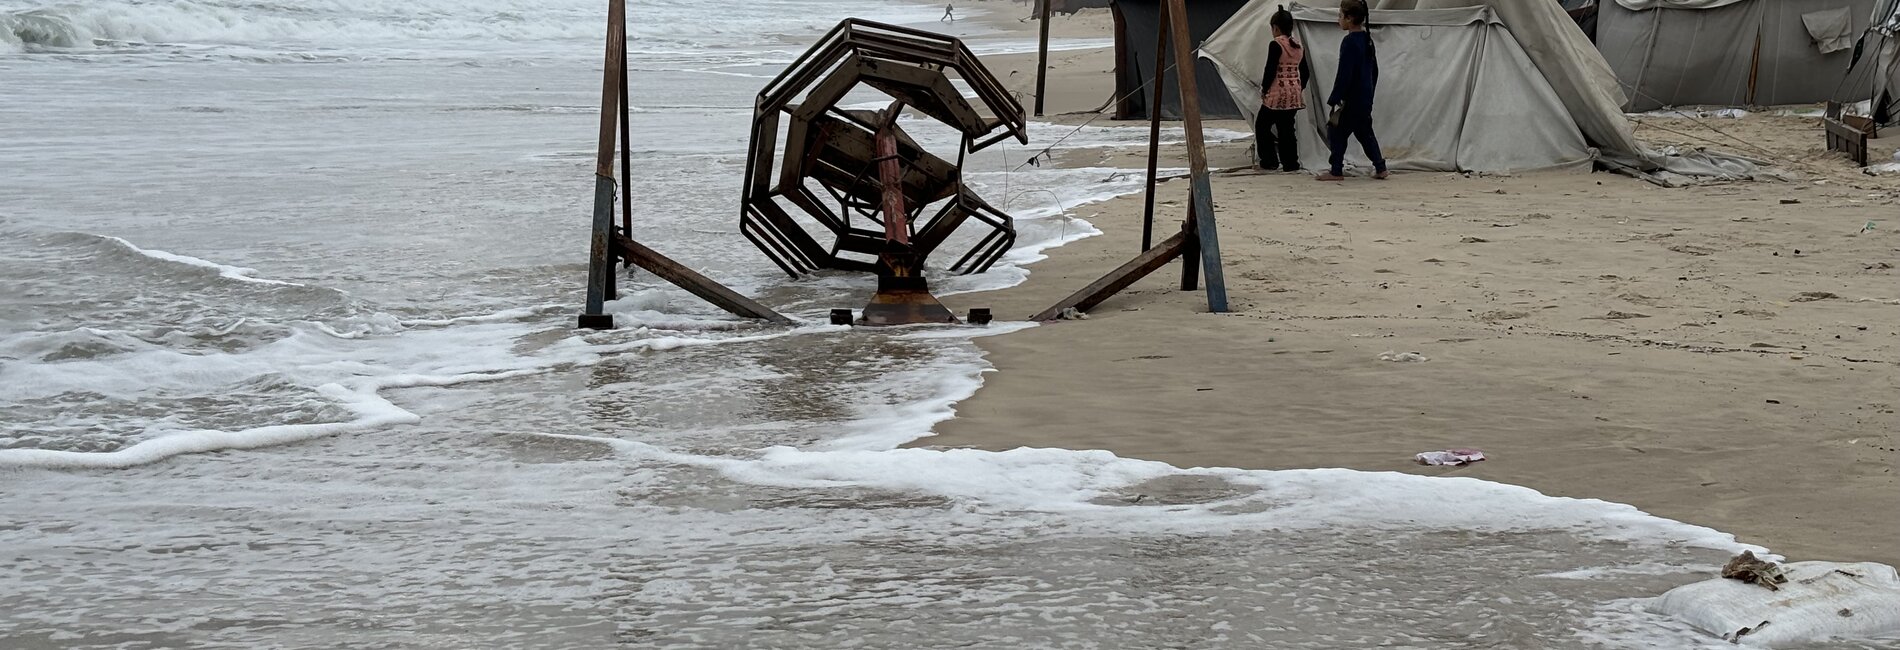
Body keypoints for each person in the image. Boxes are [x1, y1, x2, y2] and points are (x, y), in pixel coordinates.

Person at [1319, 0, 1388, 181]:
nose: (1338, 20)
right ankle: (1381, 167)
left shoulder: (1349, 42)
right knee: (1365, 132)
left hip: (1353, 97)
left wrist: (1335, 97)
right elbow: (1374, 70)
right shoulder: (1367, 39)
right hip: (1365, 96)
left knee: (1337, 132)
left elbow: (1345, 73)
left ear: (1349, 18)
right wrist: (1370, 92)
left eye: (1340, 16)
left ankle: (1336, 170)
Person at [1257, 6, 1312, 172]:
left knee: (1262, 125)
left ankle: (1269, 161)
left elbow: (1270, 69)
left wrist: (1264, 88)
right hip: (1293, 93)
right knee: (1287, 128)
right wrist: (1298, 87)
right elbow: (1305, 72)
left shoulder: (1275, 45)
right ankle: (1291, 163)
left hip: (1276, 92)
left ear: (1275, 28)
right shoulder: (1298, 46)